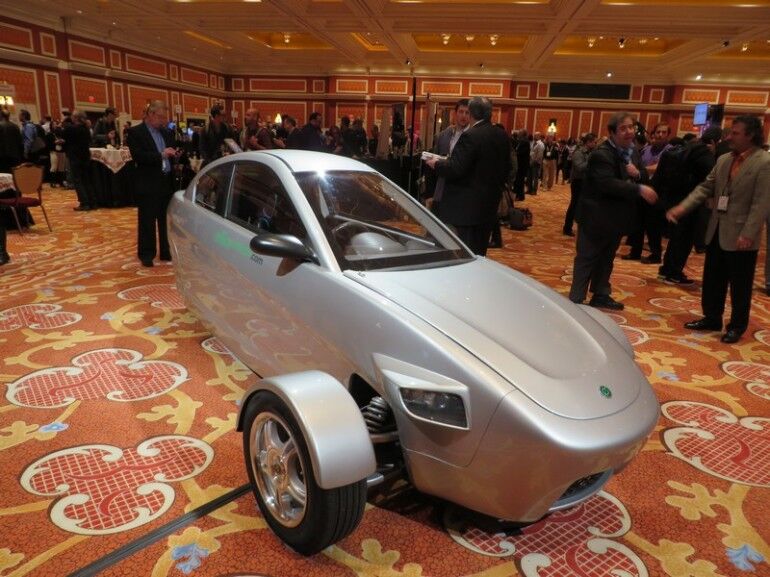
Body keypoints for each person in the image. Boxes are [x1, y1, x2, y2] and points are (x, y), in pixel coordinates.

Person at [666, 116, 770, 343]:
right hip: (717, 229)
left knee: (740, 285)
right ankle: (712, 317)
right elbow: (706, 187)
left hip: (742, 235)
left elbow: (761, 203)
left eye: (735, 133)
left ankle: (737, 326)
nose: (729, 137)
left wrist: (749, 233)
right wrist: (683, 207)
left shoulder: (764, 162)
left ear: (751, 135)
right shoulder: (723, 159)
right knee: (713, 279)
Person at [568, 112, 657, 310]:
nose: (629, 132)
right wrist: (639, 189)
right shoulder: (602, 154)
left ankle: (600, 294)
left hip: (617, 217)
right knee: (586, 258)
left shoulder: (632, 152)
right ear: (612, 132)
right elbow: (606, 183)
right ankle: (576, 300)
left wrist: (638, 174)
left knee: (607, 258)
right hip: (595, 217)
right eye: (623, 128)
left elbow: (642, 174)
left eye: (631, 127)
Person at [425, 96, 512, 256]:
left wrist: (436, 164)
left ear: (471, 113)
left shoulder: (471, 135)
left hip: (465, 210)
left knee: (465, 254)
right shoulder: (501, 135)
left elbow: (456, 168)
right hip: (489, 206)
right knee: (479, 253)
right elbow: (508, 168)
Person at [655, 126, 722, 285]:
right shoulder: (704, 154)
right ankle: (674, 272)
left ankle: (666, 270)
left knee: (676, 237)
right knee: (684, 238)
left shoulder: (688, 147)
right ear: (714, 142)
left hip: (675, 198)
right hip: (690, 202)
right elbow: (711, 180)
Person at [127, 100, 180, 268]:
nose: (163, 121)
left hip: (166, 180)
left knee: (165, 220)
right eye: (160, 117)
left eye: (165, 117)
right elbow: (138, 156)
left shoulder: (166, 132)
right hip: (148, 182)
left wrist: (176, 155)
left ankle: (166, 251)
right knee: (147, 220)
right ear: (150, 114)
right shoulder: (135, 132)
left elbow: (171, 151)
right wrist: (161, 155)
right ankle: (146, 254)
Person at [428, 99, 470, 216]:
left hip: (462, 193)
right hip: (441, 189)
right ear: (455, 113)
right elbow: (434, 164)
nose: (463, 115)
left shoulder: (473, 137)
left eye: (467, 113)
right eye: (461, 112)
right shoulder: (444, 135)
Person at [60, 110, 97, 211]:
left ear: (75, 118)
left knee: (78, 180)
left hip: (75, 157)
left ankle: (84, 203)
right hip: (85, 157)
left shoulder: (71, 128)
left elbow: (62, 134)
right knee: (86, 180)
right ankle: (92, 202)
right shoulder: (86, 129)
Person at [562, 132, 597, 236]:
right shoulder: (578, 152)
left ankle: (584, 228)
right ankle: (567, 228)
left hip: (587, 182)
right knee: (574, 205)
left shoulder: (591, 152)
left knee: (585, 206)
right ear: (588, 142)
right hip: (578, 182)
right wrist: (591, 160)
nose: (595, 144)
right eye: (594, 142)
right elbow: (579, 167)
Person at [0, 107, 23, 173]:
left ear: (1, 115)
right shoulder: (16, 126)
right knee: (14, 175)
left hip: (3, 156)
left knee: (4, 175)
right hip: (15, 155)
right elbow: (20, 141)